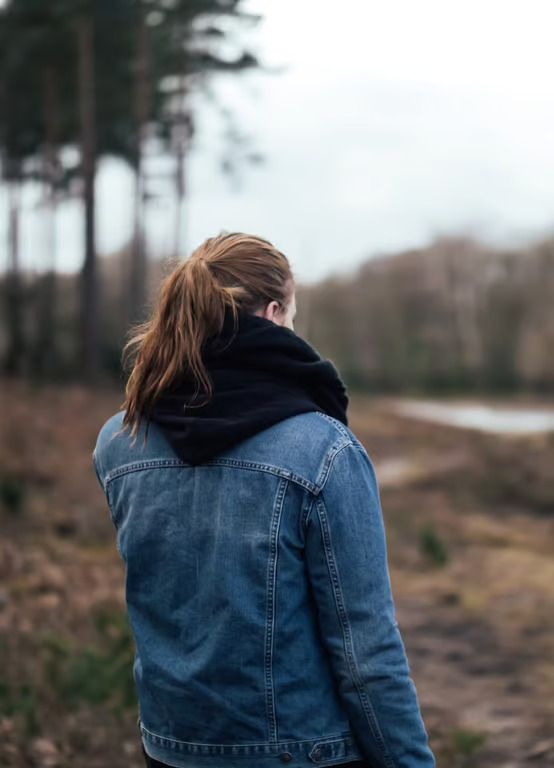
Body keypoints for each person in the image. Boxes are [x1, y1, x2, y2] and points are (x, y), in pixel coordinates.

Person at [93, 233, 435, 768]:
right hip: (298, 751)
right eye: (293, 316)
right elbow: (365, 649)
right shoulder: (323, 448)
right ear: (274, 313)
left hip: (169, 747)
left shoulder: (120, 439)